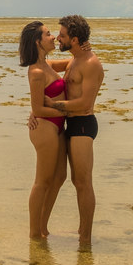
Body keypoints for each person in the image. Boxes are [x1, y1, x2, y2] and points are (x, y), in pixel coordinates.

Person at [45, 15, 104, 246]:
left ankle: (86, 239)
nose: (58, 38)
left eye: (62, 35)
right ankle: (81, 230)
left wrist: (50, 105)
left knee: (82, 183)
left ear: (76, 39)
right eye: (57, 34)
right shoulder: (74, 61)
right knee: (70, 181)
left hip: (82, 125)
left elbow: (84, 104)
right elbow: (45, 65)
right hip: (70, 124)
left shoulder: (90, 64)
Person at [19, 21, 71, 240]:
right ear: (38, 41)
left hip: (56, 125)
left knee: (59, 177)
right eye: (48, 34)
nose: (53, 37)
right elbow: (38, 108)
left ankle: (43, 227)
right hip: (45, 128)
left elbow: (73, 63)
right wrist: (69, 113)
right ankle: (34, 233)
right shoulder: (37, 71)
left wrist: (84, 47)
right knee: (42, 182)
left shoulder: (48, 64)